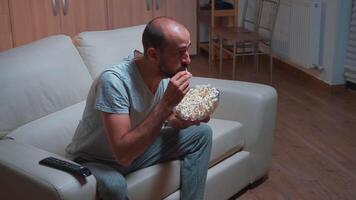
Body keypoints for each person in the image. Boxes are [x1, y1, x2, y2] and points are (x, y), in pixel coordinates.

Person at [66, 16, 213, 200]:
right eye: (180, 52)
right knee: (115, 186)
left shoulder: (166, 73)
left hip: (138, 150)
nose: (187, 60)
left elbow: (171, 118)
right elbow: (123, 156)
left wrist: (189, 118)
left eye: (187, 49)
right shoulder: (114, 82)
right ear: (153, 54)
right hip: (96, 159)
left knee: (202, 134)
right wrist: (165, 103)